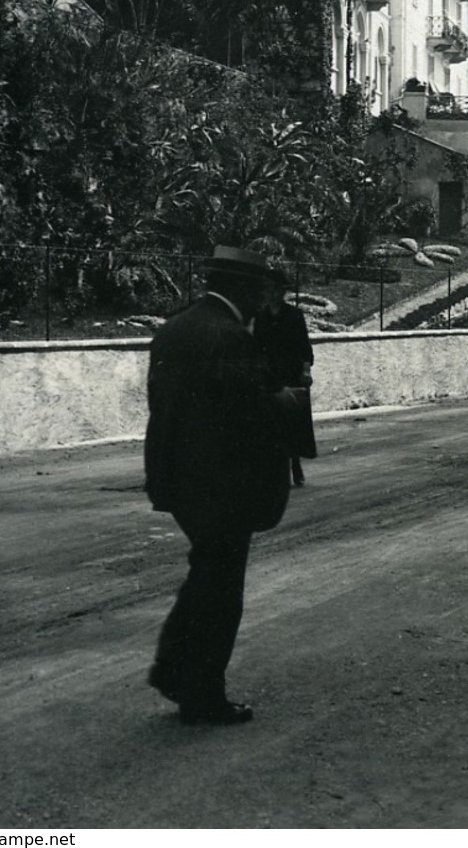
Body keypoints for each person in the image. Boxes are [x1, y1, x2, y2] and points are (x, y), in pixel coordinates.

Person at [144, 245, 295, 725]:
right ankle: (202, 694)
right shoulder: (231, 339)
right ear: (244, 289)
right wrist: (285, 402)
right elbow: (253, 416)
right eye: (261, 289)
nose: (264, 300)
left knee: (205, 574)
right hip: (224, 485)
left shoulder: (175, 329)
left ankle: (174, 670)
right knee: (220, 588)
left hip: (179, 478)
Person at [253, 272, 316, 487]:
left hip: (290, 374)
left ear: (282, 292)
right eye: (268, 290)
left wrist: (306, 371)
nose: (272, 294)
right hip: (268, 376)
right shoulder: (260, 317)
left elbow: (304, 348)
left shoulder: (294, 316)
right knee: (269, 424)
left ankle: (295, 464)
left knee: (292, 422)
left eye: (276, 290)